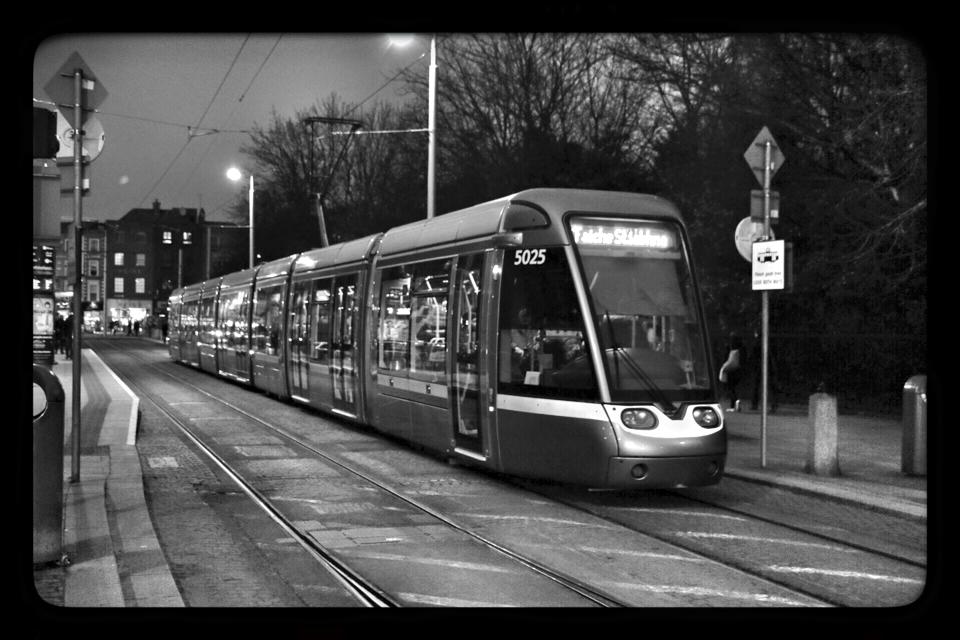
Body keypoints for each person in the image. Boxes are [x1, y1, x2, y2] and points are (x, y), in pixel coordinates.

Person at [508, 307, 543, 379]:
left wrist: (535, 347)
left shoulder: (536, 330)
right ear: (518, 317)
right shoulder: (513, 331)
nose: (525, 319)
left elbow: (539, 344)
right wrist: (517, 349)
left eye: (527, 316)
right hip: (517, 367)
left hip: (532, 364)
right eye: (523, 316)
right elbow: (509, 344)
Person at [750, 330, 779, 413]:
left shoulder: (759, 345)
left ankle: (756, 404)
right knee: (770, 386)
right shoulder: (768, 344)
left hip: (761, 367)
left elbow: (754, 356)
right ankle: (773, 404)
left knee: (758, 386)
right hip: (766, 367)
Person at [718, 332, 743, 411]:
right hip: (738, 370)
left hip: (731, 371)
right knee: (734, 388)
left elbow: (727, 359)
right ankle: (735, 403)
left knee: (731, 388)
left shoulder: (730, 348)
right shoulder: (741, 348)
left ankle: (734, 403)